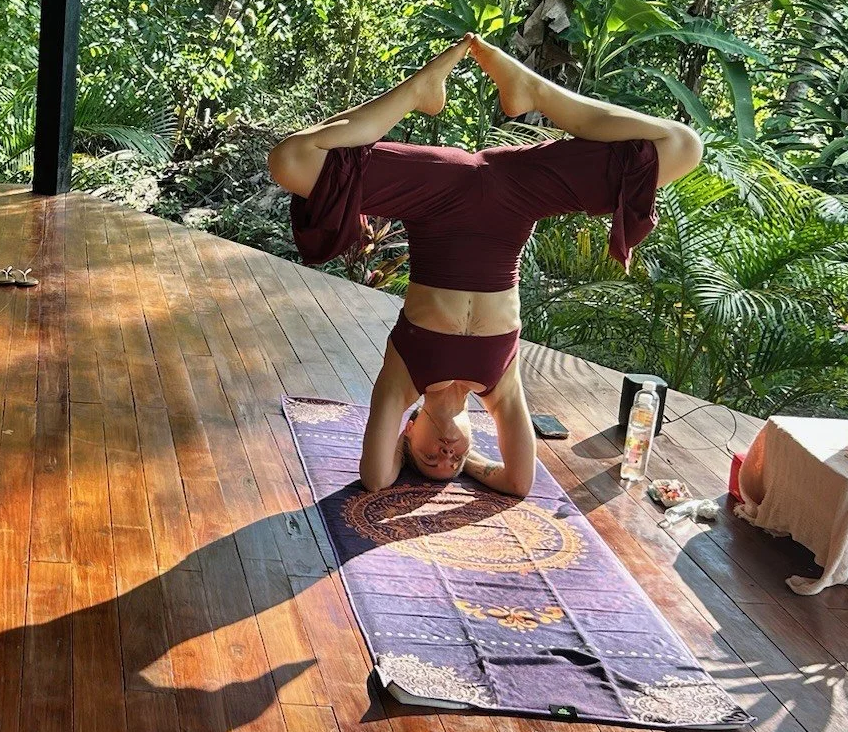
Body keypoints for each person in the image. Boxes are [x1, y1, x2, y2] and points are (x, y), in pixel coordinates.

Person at [269, 34, 702, 497]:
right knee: (682, 147)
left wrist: (408, 455)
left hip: (434, 194)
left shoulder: (403, 382)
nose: (446, 454)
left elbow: (376, 479)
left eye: (429, 457)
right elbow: (518, 482)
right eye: (452, 461)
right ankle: (534, 91)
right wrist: (473, 465)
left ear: (407, 433)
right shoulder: (499, 387)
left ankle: (415, 93)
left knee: (290, 160)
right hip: (520, 195)